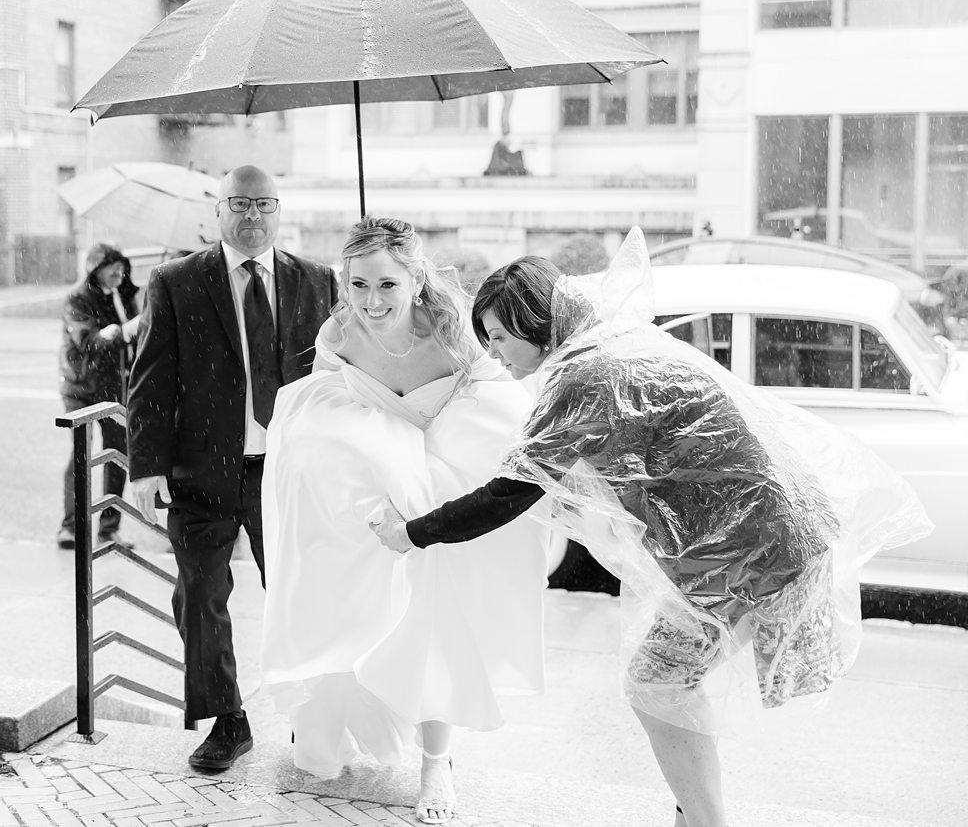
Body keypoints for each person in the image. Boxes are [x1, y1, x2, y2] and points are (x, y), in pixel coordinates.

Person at [371, 229, 933, 827]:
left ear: (537, 322)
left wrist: (412, 533)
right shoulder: (613, 345)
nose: (497, 353)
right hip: (771, 538)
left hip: (754, 553)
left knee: (655, 683)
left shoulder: (581, 376)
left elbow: (507, 494)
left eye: (502, 337)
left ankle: (704, 821)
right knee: (668, 684)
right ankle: (695, 815)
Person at [261, 218, 547, 824]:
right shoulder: (338, 331)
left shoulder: (453, 332)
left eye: (387, 284)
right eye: (358, 284)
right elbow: (324, 414)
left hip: (438, 495)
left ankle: (436, 761)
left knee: (433, 623)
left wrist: (431, 476)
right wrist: (374, 463)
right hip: (375, 500)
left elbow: (493, 402)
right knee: (352, 609)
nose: (371, 301)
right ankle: (336, 711)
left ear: (416, 279)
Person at [126, 165, 338, 773]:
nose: (252, 216)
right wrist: (146, 465)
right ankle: (227, 720)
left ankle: (310, 712)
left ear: (279, 210)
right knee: (198, 596)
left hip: (287, 473)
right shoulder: (176, 282)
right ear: (217, 210)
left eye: (263, 203)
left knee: (300, 594)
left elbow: (343, 372)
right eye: (239, 203)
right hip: (200, 474)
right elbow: (150, 379)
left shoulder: (318, 281)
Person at [57, 242, 140, 549]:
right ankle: (70, 526)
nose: (118, 273)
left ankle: (108, 528)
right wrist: (123, 331)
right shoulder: (78, 298)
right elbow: (86, 340)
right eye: (111, 268)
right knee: (81, 454)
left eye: (121, 267)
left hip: (116, 389)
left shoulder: (127, 296)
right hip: (81, 389)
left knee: (117, 455)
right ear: (96, 271)